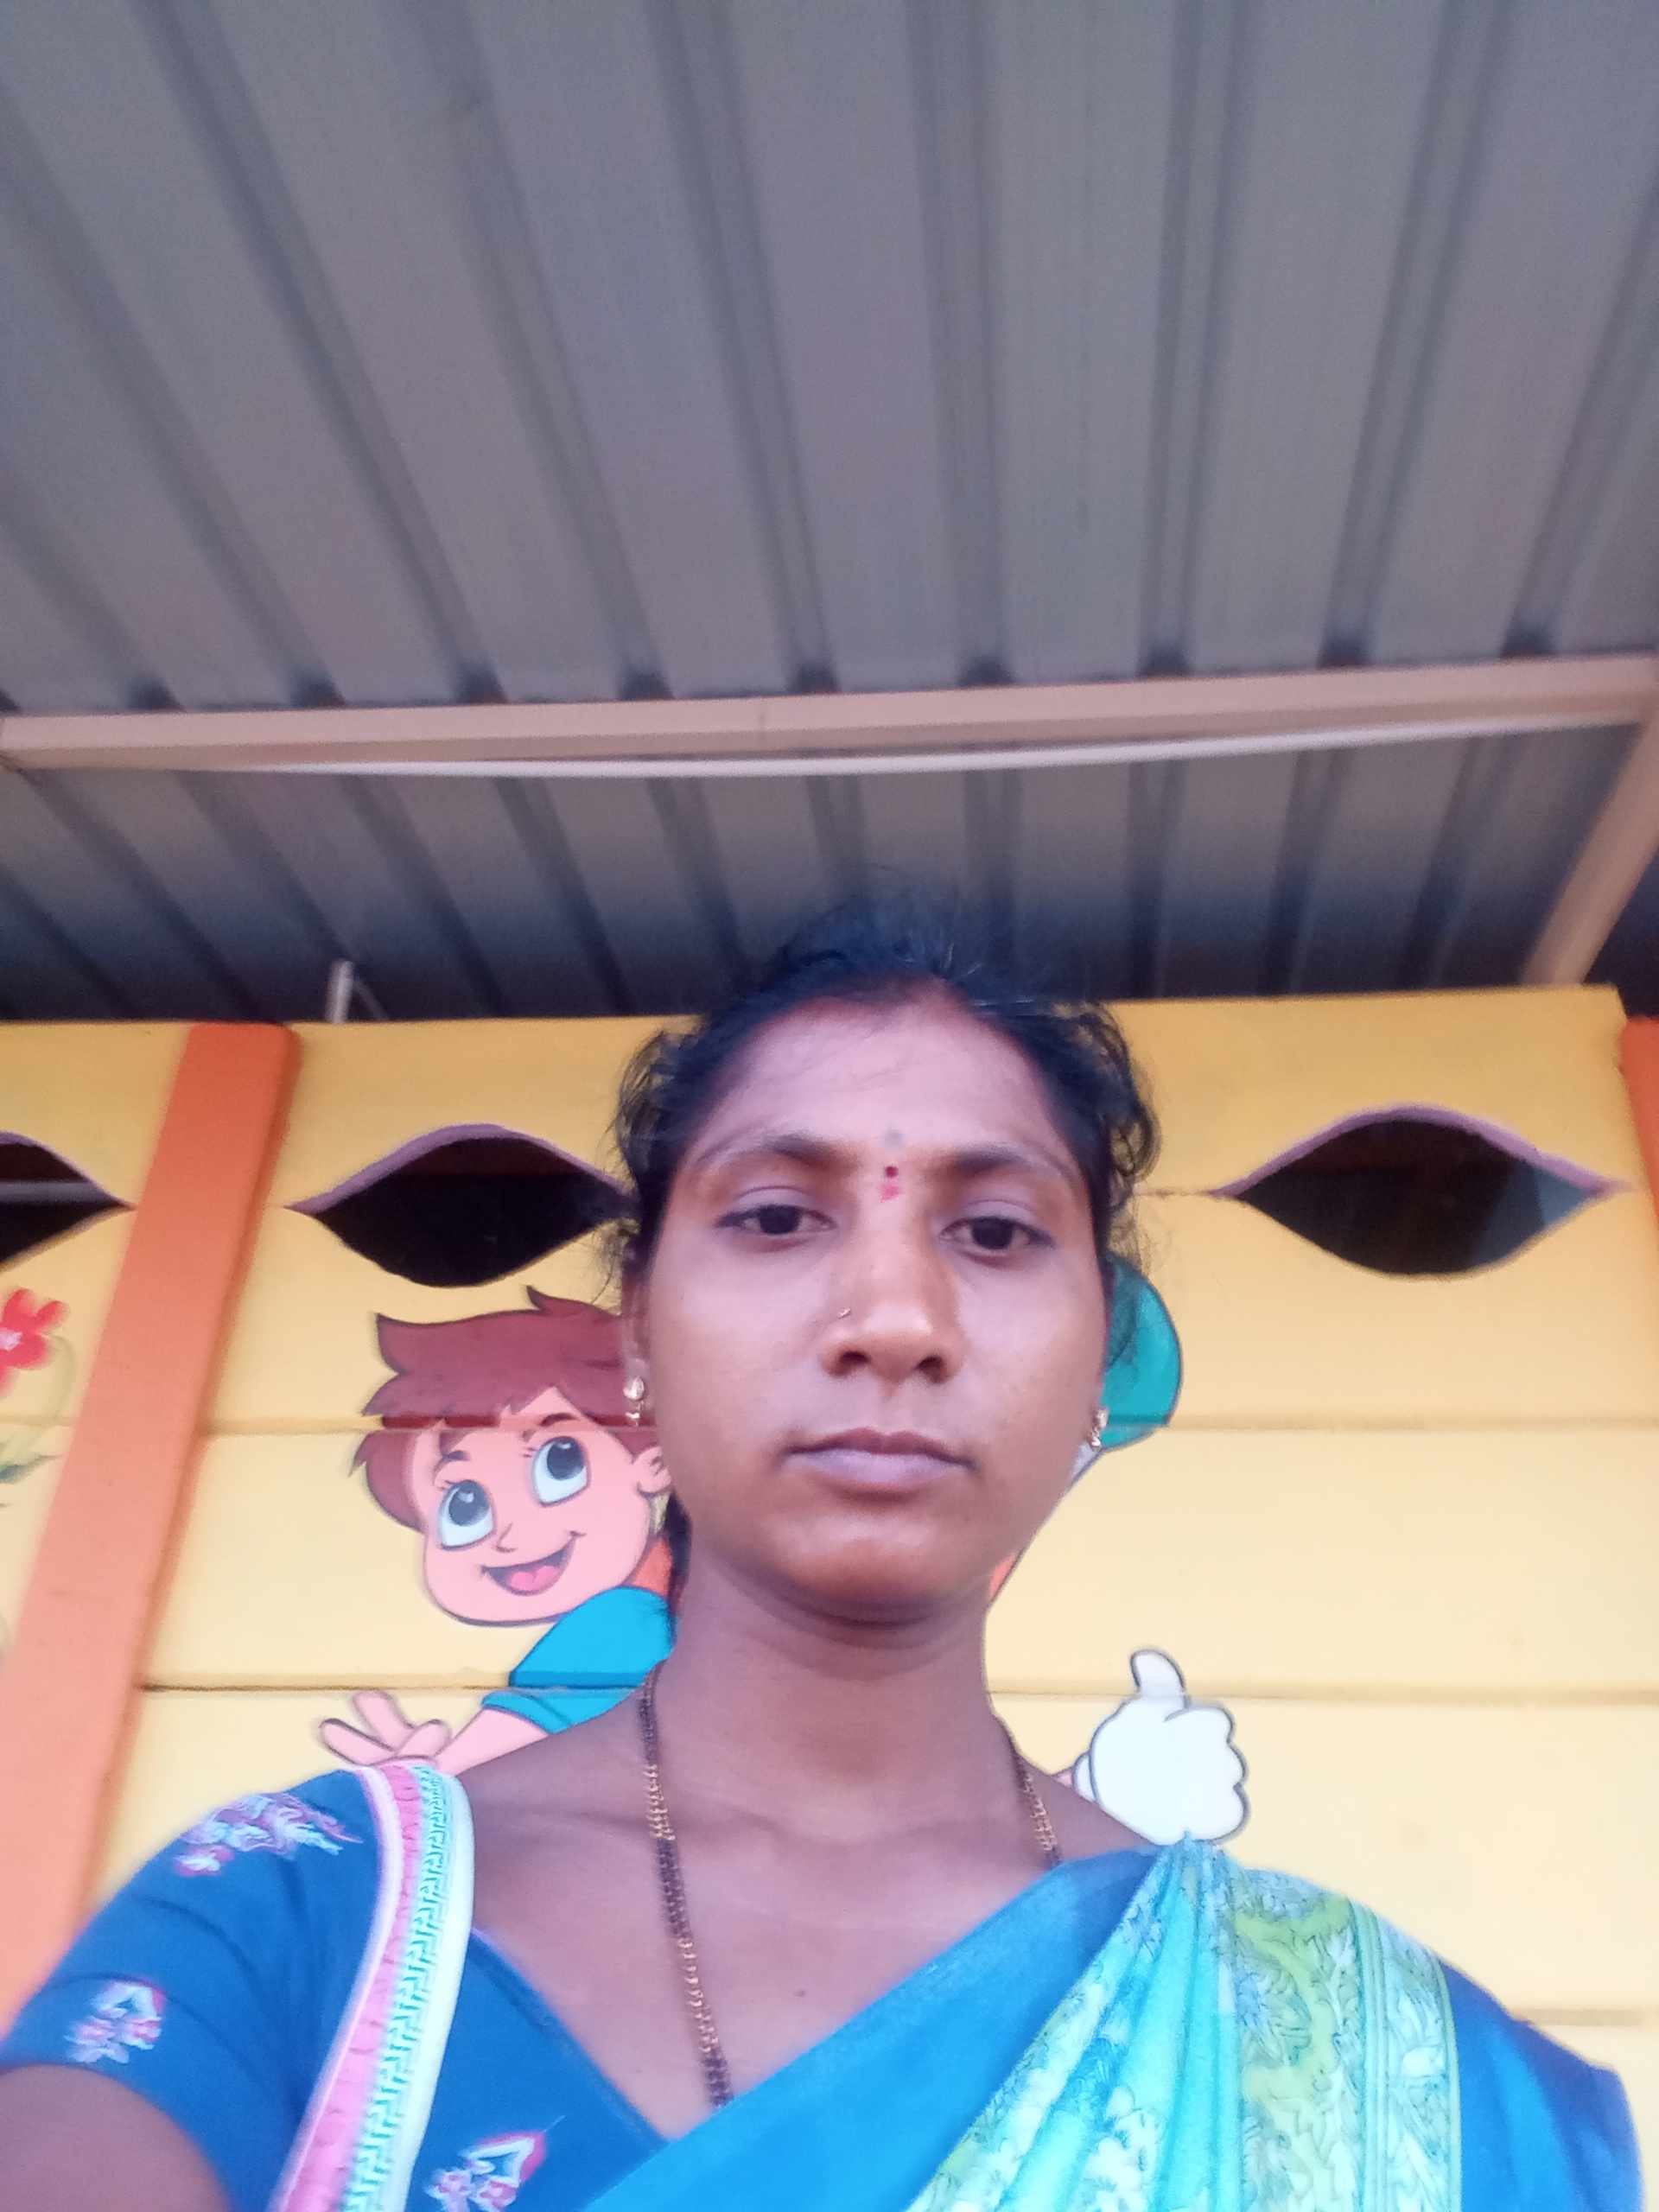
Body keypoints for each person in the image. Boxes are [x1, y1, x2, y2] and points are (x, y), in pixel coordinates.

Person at [0, 901, 1639, 2209]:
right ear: (637, 1330)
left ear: (1094, 1357)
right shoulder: (295, 1925)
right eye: (778, 1216)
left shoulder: (1345, 2052)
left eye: (994, 1232)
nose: (894, 1318)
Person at [318, 1292, 674, 1776]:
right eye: (464, 1507)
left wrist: (423, 1786)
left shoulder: (619, 1621)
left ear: (653, 1463)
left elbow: (469, 1777)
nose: (507, 1535)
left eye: (559, 1464)